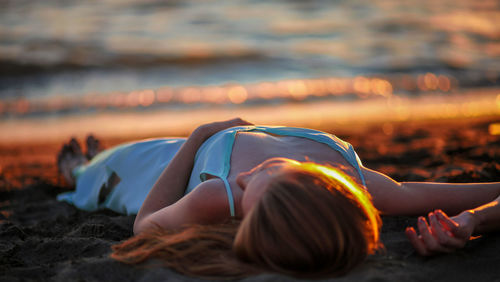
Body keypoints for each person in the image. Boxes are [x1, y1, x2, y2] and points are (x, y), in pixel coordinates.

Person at [57, 118, 500, 279]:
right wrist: (473, 220)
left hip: (166, 165)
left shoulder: (221, 193)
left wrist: (199, 136)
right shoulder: (356, 182)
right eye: (255, 181)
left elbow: (144, 224)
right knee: (114, 161)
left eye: (242, 189)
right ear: (310, 179)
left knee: (101, 179)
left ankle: (78, 166)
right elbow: (450, 192)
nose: (245, 180)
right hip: (194, 147)